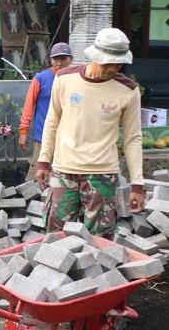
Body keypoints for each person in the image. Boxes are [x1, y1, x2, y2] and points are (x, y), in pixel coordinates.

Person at [36, 28, 144, 238]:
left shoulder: (128, 90)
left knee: (100, 240)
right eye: (107, 62)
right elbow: (52, 121)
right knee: (55, 237)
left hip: (102, 175)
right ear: (95, 56)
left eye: (118, 63)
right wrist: (43, 160)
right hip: (63, 171)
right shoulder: (65, 79)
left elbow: (133, 139)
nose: (112, 68)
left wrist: (137, 185)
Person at [18, 42, 73, 180]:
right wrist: (23, 132)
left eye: (63, 58)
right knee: (36, 178)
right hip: (43, 136)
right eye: (55, 58)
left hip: (69, 138)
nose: (59, 62)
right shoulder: (41, 78)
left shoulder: (75, 79)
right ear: (50, 59)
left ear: (70, 59)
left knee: (64, 178)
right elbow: (28, 106)